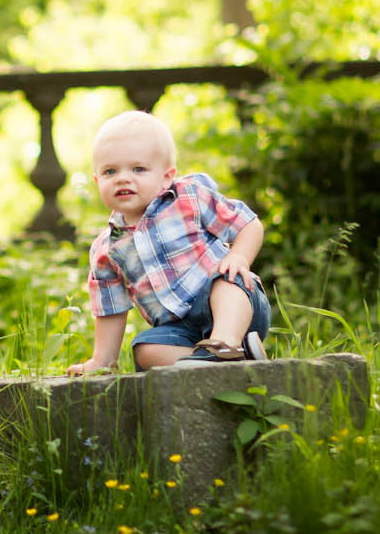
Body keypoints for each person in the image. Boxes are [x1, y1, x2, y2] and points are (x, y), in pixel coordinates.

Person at [67, 110, 271, 374]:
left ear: (166, 176)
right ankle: (222, 362)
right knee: (144, 349)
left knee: (225, 279)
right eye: (110, 171)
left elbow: (248, 224)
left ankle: (226, 344)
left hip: (236, 305)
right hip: (179, 330)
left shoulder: (189, 197)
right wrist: (101, 361)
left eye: (138, 169)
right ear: (97, 180)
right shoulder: (107, 249)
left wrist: (239, 257)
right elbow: (111, 310)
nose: (123, 178)